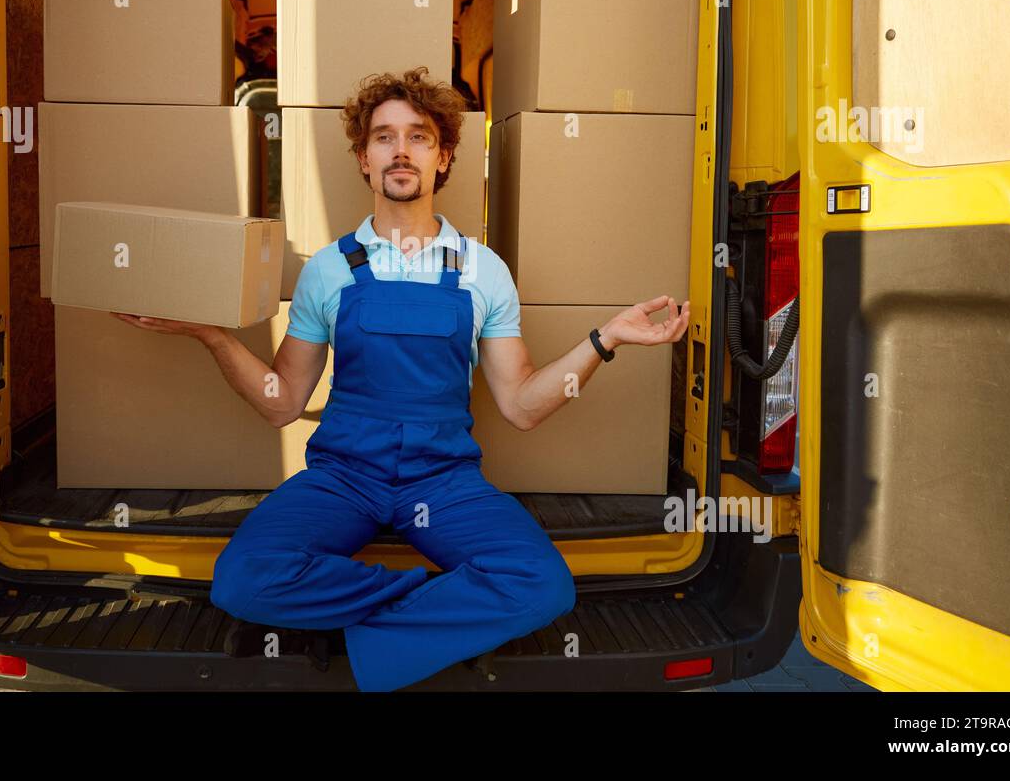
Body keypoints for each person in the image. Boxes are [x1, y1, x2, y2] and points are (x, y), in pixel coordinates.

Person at [115, 66, 690, 691]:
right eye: (384, 137)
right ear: (364, 159)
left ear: (443, 158)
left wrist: (606, 340)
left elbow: (522, 405)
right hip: (344, 477)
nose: (401, 150)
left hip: (443, 481)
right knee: (241, 578)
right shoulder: (330, 269)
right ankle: (429, 607)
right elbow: (282, 404)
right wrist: (213, 336)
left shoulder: (482, 270)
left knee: (543, 584)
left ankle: (354, 628)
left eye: (419, 137)